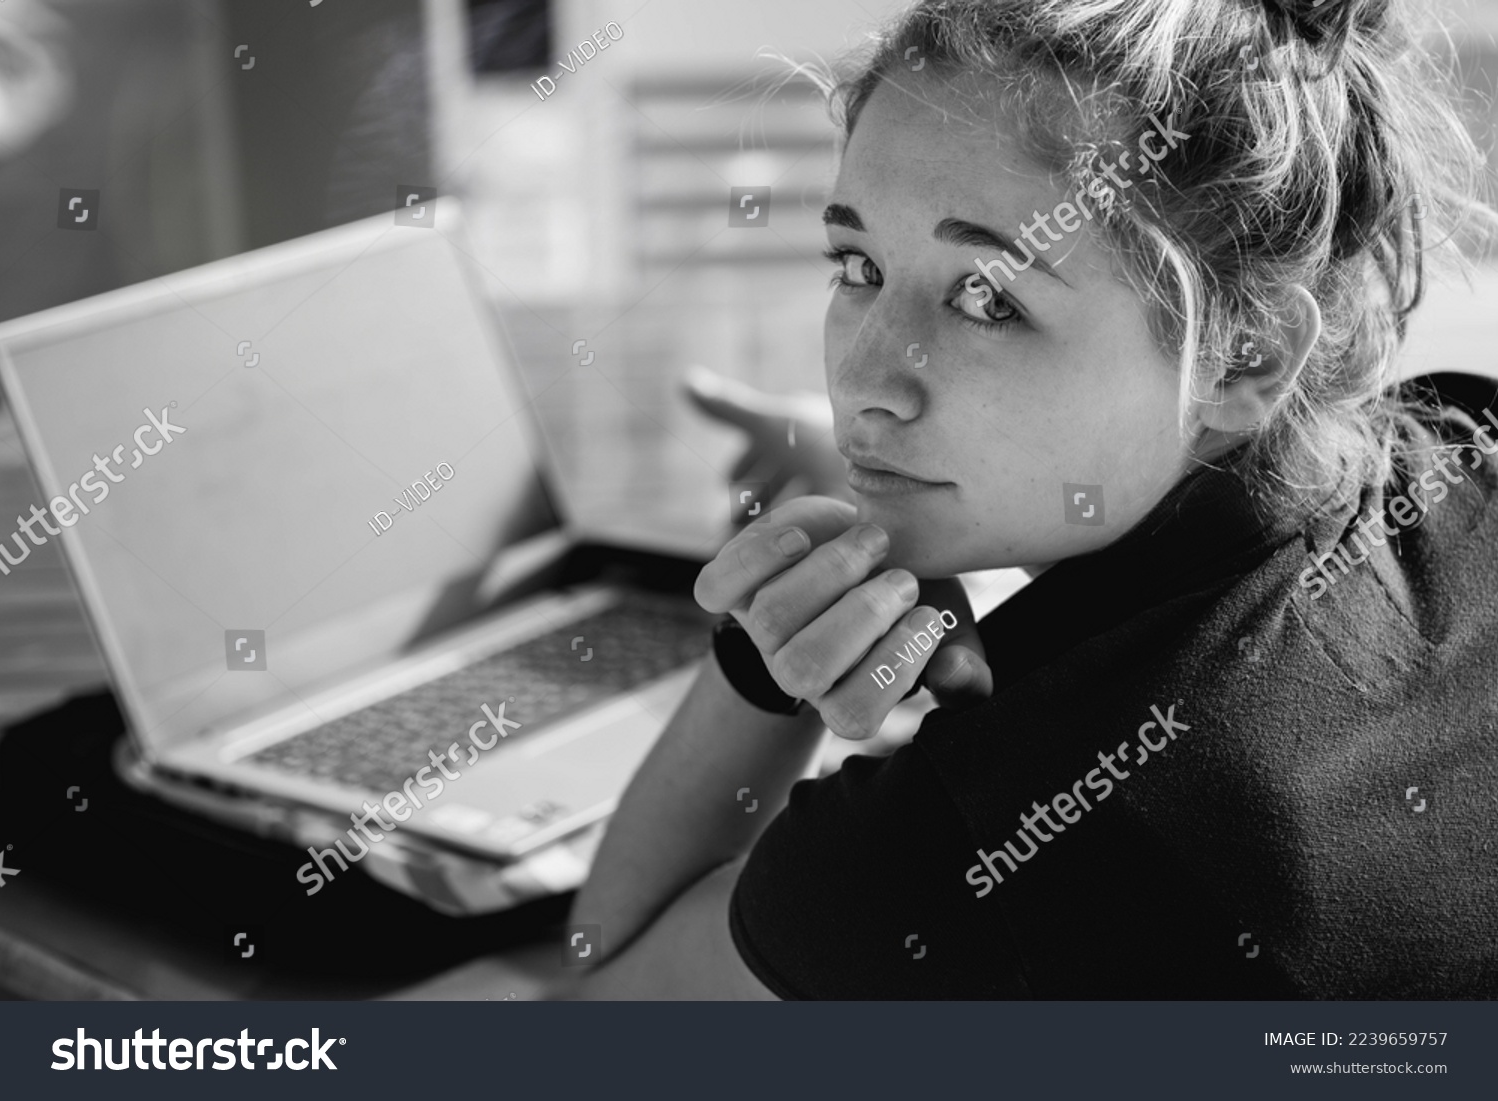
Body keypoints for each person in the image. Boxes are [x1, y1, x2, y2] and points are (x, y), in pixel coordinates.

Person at [552, 0, 1498, 998]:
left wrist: (775, 637)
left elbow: (598, 1012)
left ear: (1246, 353)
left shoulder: (1007, 835)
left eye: (989, 298)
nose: (869, 379)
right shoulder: (1467, 445)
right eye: (860, 266)